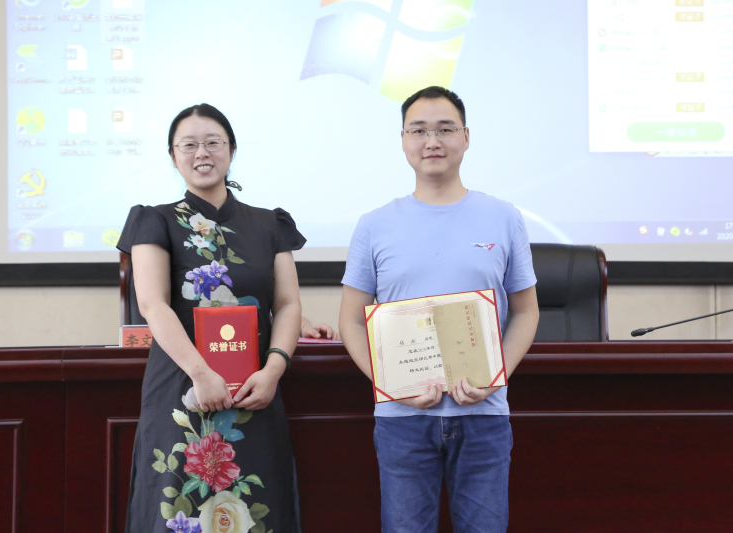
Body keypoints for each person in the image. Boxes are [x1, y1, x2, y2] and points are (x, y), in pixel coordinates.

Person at [338, 86, 539, 532]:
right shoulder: (374, 225)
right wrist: (391, 385)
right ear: (403, 140)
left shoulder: (504, 217)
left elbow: (526, 312)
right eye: (419, 130)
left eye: (445, 129)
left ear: (466, 137)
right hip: (403, 420)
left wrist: (495, 376)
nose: (432, 141)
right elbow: (350, 320)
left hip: (483, 415)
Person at [117, 104, 304, 533]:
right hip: (184, 388)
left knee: (259, 509)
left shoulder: (269, 224)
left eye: (213, 142)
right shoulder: (155, 219)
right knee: (177, 509)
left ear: (231, 150)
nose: (202, 152)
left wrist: (273, 371)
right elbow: (153, 305)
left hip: (255, 390)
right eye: (188, 145)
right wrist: (201, 374)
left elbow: (288, 305)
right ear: (173, 156)